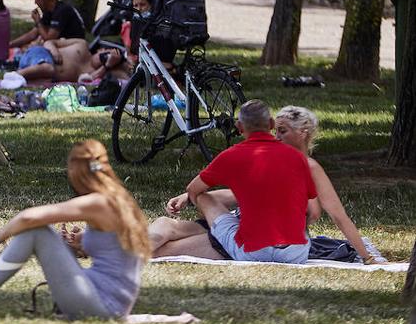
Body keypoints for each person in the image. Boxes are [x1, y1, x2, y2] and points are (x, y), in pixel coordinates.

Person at [0, 139, 149, 320]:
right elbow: (118, 253)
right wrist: (79, 243)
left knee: (36, 230)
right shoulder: (120, 199)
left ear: (75, 171)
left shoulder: (99, 202)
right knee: (39, 231)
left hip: (103, 306)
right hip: (106, 299)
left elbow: (29, 216)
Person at [149, 105, 384, 264]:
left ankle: (123, 257)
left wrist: (366, 257)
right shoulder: (270, 157)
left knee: (165, 248)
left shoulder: (304, 167)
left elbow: (333, 215)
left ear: (303, 133)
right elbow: (237, 194)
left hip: (252, 239)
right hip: (245, 226)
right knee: (166, 224)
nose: (277, 136)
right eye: (276, 130)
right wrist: (188, 196)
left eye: (283, 131)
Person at [173, 99, 316, 263]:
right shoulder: (299, 160)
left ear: (239, 127)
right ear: (271, 124)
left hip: (253, 251)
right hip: (295, 254)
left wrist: (192, 199)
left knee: (201, 197)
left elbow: (194, 190)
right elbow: (313, 211)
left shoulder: (232, 156)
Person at [83, 0, 151, 83]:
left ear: (150, 5)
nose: (139, 8)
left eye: (142, 4)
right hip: (132, 61)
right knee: (108, 62)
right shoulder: (129, 25)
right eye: (135, 5)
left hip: (143, 63)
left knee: (109, 65)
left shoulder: (153, 25)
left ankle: (91, 78)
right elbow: (129, 52)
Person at [9, 0, 85, 50]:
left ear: (42, 0)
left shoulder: (61, 11)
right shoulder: (49, 11)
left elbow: (48, 39)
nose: (35, 3)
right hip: (62, 43)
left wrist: (38, 22)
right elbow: (33, 34)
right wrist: (10, 44)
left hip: (75, 47)